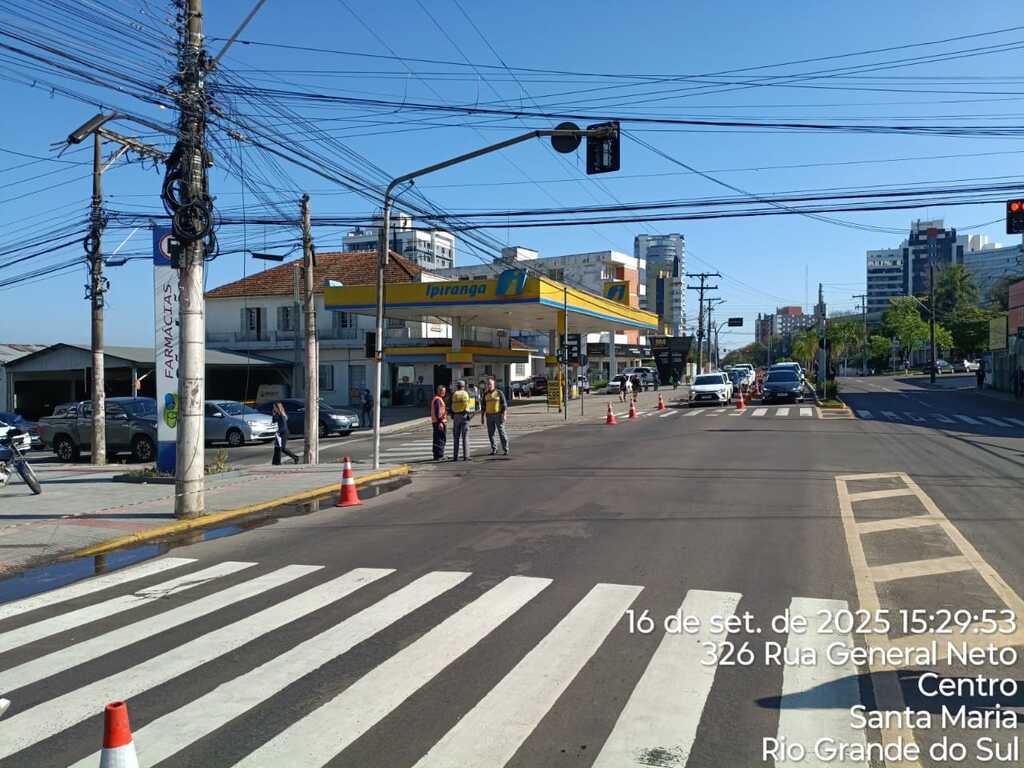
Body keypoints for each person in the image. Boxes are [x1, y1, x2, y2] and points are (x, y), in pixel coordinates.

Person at [482, 377, 510, 456]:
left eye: (490, 384)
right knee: (491, 433)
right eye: (488, 384)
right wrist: (482, 417)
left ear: (494, 384)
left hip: (498, 415)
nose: (489, 386)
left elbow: (504, 405)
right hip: (489, 416)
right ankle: (494, 449)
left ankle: (505, 449)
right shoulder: (485, 394)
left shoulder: (499, 393)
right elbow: (483, 406)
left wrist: (504, 415)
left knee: (502, 432)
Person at [450, 380, 472, 461]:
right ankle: (466, 456)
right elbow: (469, 405)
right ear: (464, 386)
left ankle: (455, 457)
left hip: (456, 416)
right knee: (465, 436)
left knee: (456, 437)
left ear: (457, 386)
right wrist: (469, 415)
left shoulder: (454, 394)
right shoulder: (466, 394)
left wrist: (453, 415)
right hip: (464, 416)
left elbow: (451, 405)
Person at [430, 385, 447, 460]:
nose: (444, 392)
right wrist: (440, 422)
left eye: (444, 391)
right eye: (443, 391)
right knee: (440, 439)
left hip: (436, 421)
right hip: (439, 422)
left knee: (437, 438)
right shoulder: (437, 400)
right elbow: (437, 412)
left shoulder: (437, 399)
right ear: (439, 391)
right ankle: (440, 455)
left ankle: (436, 455)